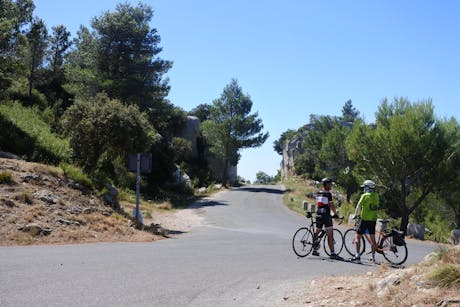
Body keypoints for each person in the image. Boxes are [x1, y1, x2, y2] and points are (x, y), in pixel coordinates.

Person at [312, 178, 343, 260]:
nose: (331, 186)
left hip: (318, 214)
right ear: (327, 185)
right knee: (330, 234)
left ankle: (314, 249)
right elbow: (331, 204)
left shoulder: (318, 192)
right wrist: (335, 214)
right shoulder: (328, 193)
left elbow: (319, 203)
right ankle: (332, 253)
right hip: (326, 215)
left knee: (317, 231)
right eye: (330, 184)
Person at [351, 180, 379, 263]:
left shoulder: (365, 196)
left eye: (365, 187)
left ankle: (357, 256)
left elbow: (358, 207)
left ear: (367, 187)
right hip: (373, 220)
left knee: (357, 237)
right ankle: (373, 257)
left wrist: (355, 215)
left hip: (364, 219)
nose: (364, 189)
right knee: (373, 239)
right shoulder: (376, 196)